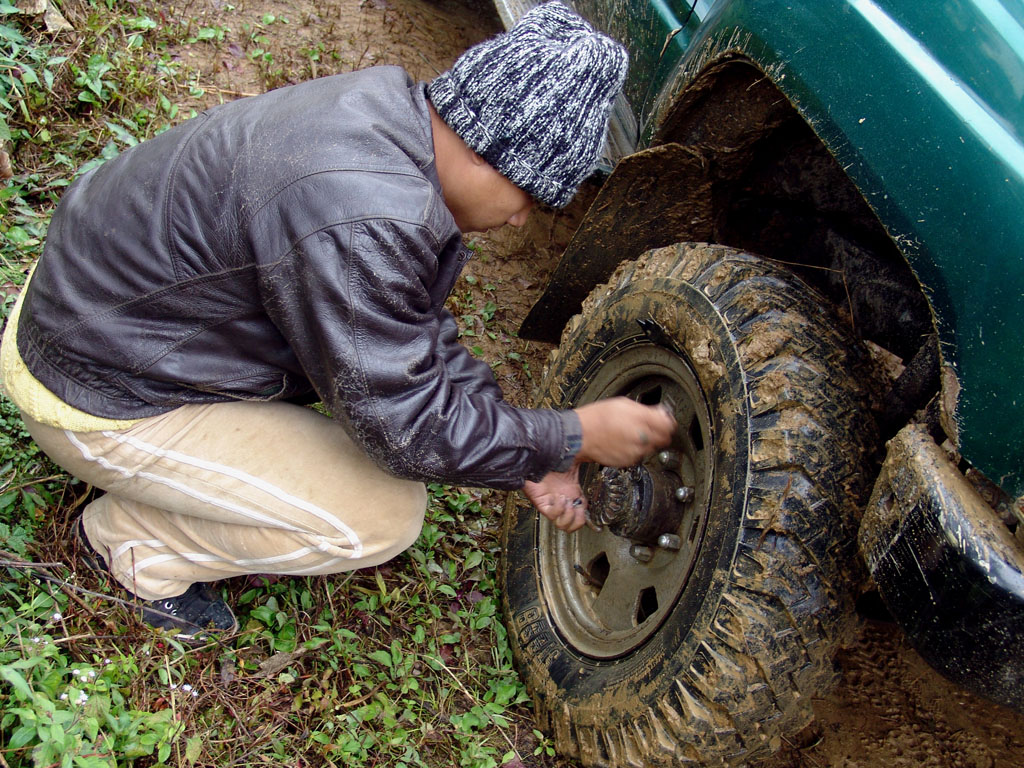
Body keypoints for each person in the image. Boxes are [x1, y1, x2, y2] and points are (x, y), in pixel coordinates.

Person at [0, 2, 675, 639]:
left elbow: (406, 321)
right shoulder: (366, 213)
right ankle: (133, 545)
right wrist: (573, 433)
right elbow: (405, 429)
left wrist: (542, 452)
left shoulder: (385, 120)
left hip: (94, 318)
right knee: (380, 515)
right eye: (528, 193)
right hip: (91, 389)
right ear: (484, 146)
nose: (523, 217)